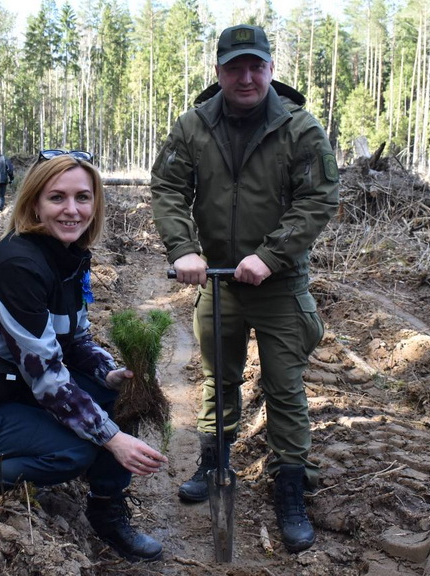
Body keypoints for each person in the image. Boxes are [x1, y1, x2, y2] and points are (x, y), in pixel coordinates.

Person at [0, 149, 167, 562]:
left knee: (120, 400)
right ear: (34, 203)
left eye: (83, 198)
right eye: (57, 198)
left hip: (10, 384)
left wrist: (108, 374)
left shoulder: (69, 257)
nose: (72, 210)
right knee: (74, 451)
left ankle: (107, 510)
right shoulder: (17, 265)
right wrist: (111, 438)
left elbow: (76, 340)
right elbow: (47, 374)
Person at [150, 24, 339, 553]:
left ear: (271, 70)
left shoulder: (300, 128)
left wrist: (269, 256)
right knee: (219, 379)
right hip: (219, 282)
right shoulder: (193, 127)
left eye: (256, 66)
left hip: (280, 285)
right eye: (235, 67)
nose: (247, 77)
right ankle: (213, 463)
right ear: (219, 72)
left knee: (284, 388)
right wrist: (182, 249)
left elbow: (317, 200)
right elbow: (167, 185)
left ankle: (290, 488)